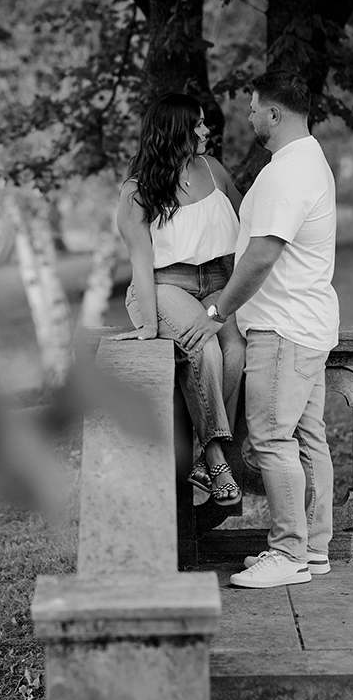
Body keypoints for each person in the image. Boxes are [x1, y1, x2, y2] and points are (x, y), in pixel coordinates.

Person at [181, 71, 339, 588]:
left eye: (253, 109)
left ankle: (289, 552)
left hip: (282, 328)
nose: (248, 117)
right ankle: (313, 549)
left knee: (271, 439)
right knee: (307, 439)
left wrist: (216, 312)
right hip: (307, 323)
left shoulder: (286, 173)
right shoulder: (307, 161)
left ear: (274, 113)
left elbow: (261, 257)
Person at [114, 93, 247, 506]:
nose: (206, 130)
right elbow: (141, 263)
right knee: (204, 347)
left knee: (236, 349)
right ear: (176, 131)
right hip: (165, 284)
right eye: (198, 124)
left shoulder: (214, 170)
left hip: (218, 280)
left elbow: (249, 229)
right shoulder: (137, 191)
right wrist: (148, 324)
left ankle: (202, 456)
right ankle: (216, 458)